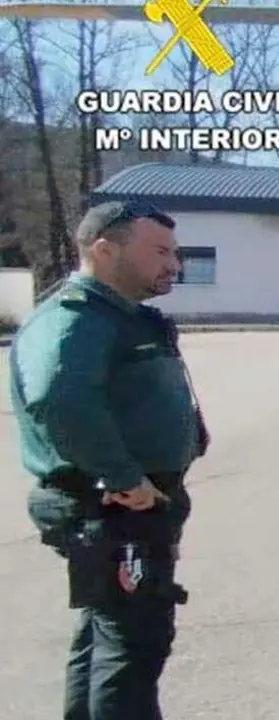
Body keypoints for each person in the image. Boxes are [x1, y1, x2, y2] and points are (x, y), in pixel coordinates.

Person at [8, 200, 209, 720]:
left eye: (176, 252)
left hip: (131, 509)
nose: (175, 264)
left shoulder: (122, 317)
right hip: (113, 510)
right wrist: (125, 479)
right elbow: (60, 398)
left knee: (104, 639)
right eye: (160, 251)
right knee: (132, 649)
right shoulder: (75, 319)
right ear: (104, 249)